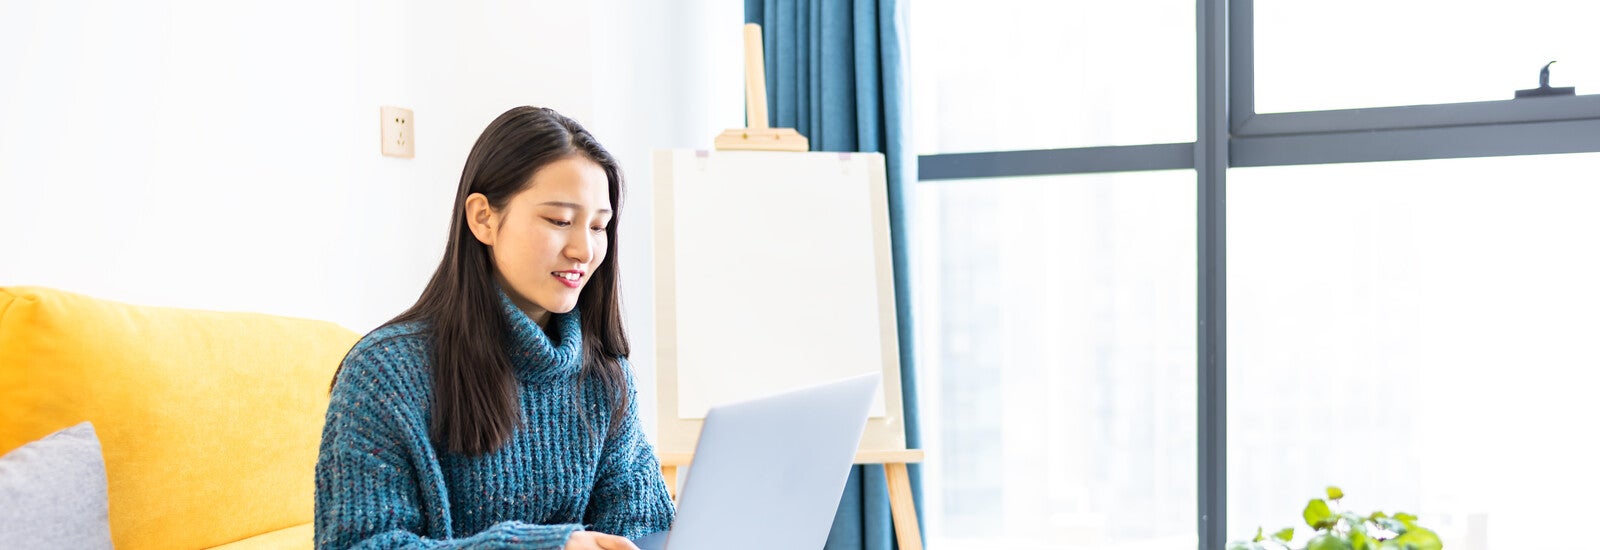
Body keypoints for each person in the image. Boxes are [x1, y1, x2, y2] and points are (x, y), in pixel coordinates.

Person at [315, 106, 672, 550]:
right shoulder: (386, 372)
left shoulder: (605, 376)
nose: (584, 249)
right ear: (483, 218)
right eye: (560, 220)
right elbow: (359, 545)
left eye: (599, 226)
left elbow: (643, 530)